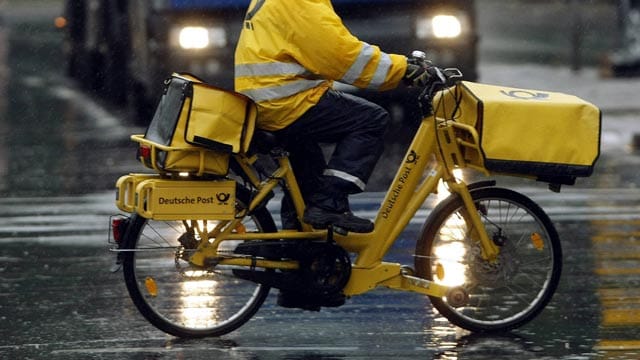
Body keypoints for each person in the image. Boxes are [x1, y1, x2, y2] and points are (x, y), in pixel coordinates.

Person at [234, 0, 446, 233]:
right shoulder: (299, 2)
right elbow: (343, 56)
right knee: (371, 119)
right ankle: (330, 204)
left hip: (266, 98)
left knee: (308, 177)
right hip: (285, 101)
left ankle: (297, 244)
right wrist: (403, 69)